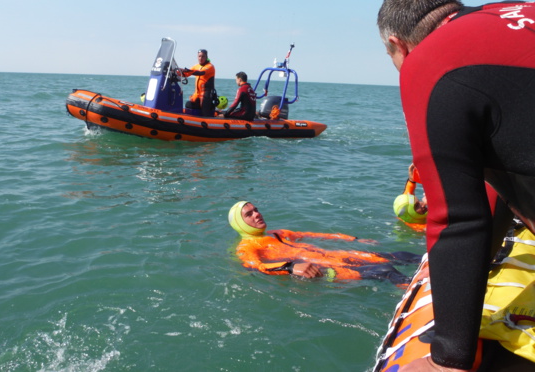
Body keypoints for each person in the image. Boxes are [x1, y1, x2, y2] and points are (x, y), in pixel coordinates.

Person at [377, 1, 535, 370]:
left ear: (399, 46)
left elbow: (459, 218)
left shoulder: (430, 60)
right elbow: (494, 187)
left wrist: (449, 354)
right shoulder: (512, 10)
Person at [228, 201, 421, 285]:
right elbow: (255, 266)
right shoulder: (246, 247)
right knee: (385, 271)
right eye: (249, 214)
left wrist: (353, 239)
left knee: (399, 256)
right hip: (322, 270)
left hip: (337, 257)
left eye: (256, 209)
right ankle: (423, 296)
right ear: (239, 222)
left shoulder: (278, 234)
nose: (257, 214)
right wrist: (290, 267)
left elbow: (314, 234)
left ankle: (439, 265)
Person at [178, 49, 216, 117]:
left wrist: (187, 70)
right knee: (188, 104)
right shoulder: (196, 66)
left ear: (206, 57)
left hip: (206, 93)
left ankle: (210, 108)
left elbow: (201, 72)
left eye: (203, 56)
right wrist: (177, 72)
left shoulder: (210, 66)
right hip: (197, 93)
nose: (201, 58)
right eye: (199, 56)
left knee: (205, 111)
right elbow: (186, 74)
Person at [393, 163, 428, 230]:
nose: (423, 204)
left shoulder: (406, 216)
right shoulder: (422, 227)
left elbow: (408, 196)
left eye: (419, 202)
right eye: (417, 206)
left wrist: (412, 179)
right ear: (410, 213)